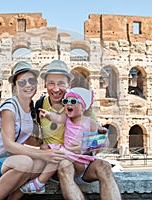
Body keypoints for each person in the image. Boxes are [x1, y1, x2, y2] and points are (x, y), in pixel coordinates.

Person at [0, 61, 66, 200]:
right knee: (26, 162)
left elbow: (25, 138)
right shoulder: (9, 108)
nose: (28, 85)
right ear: (15, 86)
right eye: (22, 83)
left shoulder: (29, 108)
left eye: (31, 81)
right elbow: (9, 145)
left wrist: (47, 146)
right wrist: (44, 154)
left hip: (8, 164)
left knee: (39, 164)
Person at [35, 60, 122, 200]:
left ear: (69, 84)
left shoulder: (82, 107)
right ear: (45, 84)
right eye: (51, 83)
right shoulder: (39, 105)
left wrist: (85, 145)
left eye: (61, 83)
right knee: (64, 165)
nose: (56, 89)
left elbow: (102, 141)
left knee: (105, 167)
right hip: (60, 163)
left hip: (84, 163)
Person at [20, 87, 109, 193]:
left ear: (83, 106)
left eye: (73, 101)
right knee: (44, 148)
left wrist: (101, 132)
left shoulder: (90, 122)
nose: (68, 104)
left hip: (79, 157)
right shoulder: (67, 119)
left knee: (55, 156)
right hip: (67, 151)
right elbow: (57, 118)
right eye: (66, 101)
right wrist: (48, 115)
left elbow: (100, 141)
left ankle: (39, 183)